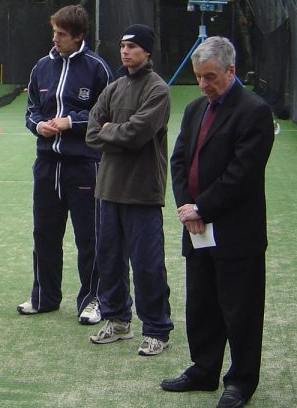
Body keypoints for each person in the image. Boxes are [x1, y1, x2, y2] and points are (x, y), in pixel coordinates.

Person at [162, 37, 274, 408]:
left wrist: (202, 209)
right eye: (198, 77)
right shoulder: (195, 109)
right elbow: (178, 161)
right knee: (201, 305)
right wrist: (186, 208)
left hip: (236, 234)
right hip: (196, 230)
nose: (204, 84)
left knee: (240, 309)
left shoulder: (254, 111)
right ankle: (204, 370)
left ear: (231, 70)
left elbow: (241, 174)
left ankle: (240, 382)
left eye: (210, 76)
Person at [17, 5, 112, 325]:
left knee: (89, 237)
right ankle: (44, 297)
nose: (55, 38)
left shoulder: (98, 68)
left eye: (61, 34)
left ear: (79, 36)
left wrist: (72, 122)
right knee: (44, 233)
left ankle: (93, 299)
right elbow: (31, 109)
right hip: (46, 164)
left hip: (84, 165)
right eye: (54, 32)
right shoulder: (41, 66)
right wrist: (38, 125)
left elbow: (106, 115)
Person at [85, 24, 173, 356]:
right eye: (122, 45)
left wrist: (112, 131)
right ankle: (118, 321)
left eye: (132, 46)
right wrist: (114, 133)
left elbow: (138, 135)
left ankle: (157, 329)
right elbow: (92, 133)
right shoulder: (113, 87)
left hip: (142, 192)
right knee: (109, 260)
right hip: (108, 190)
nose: (125, 51)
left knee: (148, 264)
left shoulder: (158, 90)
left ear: (147, 51)